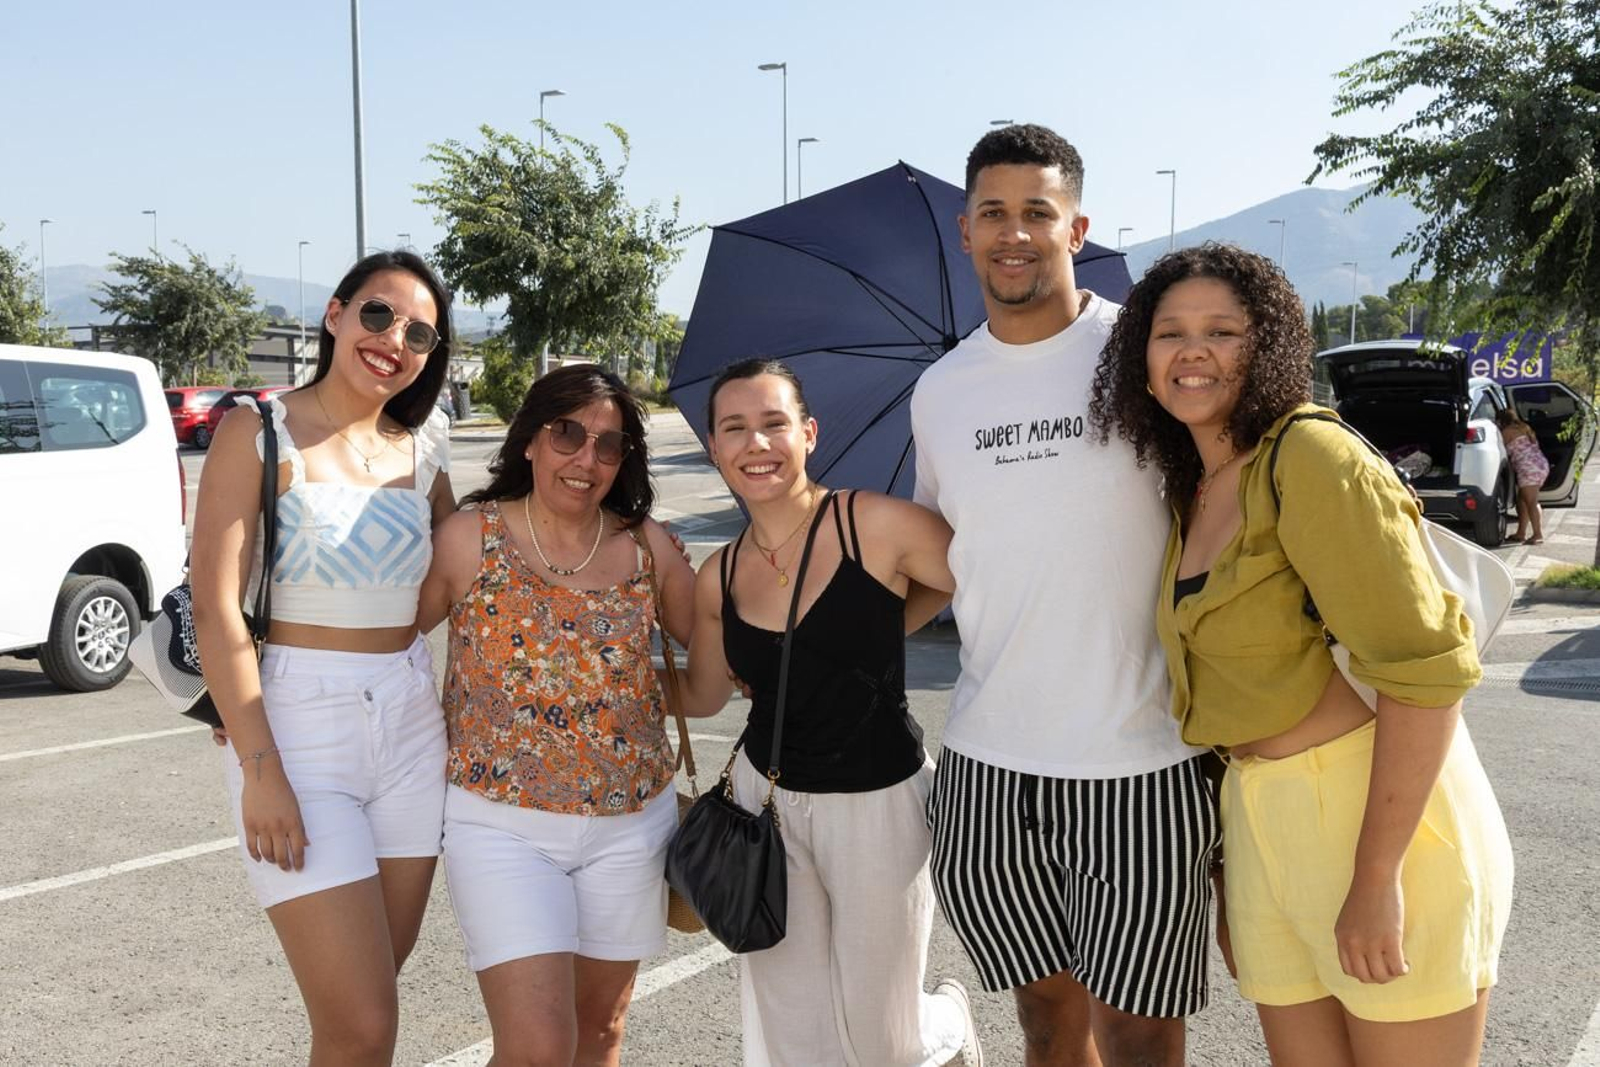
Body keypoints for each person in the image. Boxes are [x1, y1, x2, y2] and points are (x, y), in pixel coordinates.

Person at [1088, 243, 1514, 1066]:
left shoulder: (1313, 455)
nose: (1193, 350)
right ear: (1142, 362)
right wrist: (1230, 876)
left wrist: (1376, 875)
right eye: (1169, 332)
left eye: (1222, 329)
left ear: (1270, 345)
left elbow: (1428, 674)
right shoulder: (1199, 488)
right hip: (1258, 822)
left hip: (1380, 818)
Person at [909, 124, 1217, 1067]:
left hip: (1142, 760)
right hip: (989, 766)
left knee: (1137, 1036)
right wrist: (807, 654)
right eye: (993, 213)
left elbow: (1247, 479)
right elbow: (938, 560)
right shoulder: (942, 390)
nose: (1014, 233)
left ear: (1075, 226)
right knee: (1045, 1020)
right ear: (966, 231)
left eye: (1036, 213)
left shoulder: (1146, 348)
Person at [191, 250, 456, 1065]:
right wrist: (260, 764)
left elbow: (451, 580)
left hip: (411, 724)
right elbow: (215, 606)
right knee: (364, 1022)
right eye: (377, 314)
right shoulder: (257, 430)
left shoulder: (427, 444)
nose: (394, 340)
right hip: (301, 734)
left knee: (368, 996)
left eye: (418, 332)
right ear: (335, 315)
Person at [678, 358, 983, 1067]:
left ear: (807, 433)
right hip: (768, 804)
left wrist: (888, 621)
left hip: (879, 801)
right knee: (795, 1030)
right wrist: (609, 676)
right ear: (715, 449)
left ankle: (947, 1022)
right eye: (736, 428)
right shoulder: (716, 573)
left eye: (774, 423)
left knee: (883, 1038)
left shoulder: (872, 524)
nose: (757, 443)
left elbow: (976, 577)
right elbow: (703, 695)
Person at [415, 363, 696, 1067]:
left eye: (610, 445)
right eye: (568, 432)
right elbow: (384, 650)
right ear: (532, 440)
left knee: (600, 1031)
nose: (587, 457)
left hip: (632, 826)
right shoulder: (467, 538)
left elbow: (721, 648)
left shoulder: (645, 546)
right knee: (537, 1045)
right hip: (501, 824)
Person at [1497, 407, 1549, 544]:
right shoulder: (1525, 427)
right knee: (1522, 500)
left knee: (1532, 501)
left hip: (1528, 468)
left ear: (1501, 421)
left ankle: (1538, 534)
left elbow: (1499, 450)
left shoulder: (1506, 432)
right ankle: (1521, 533)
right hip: (1539, 464)